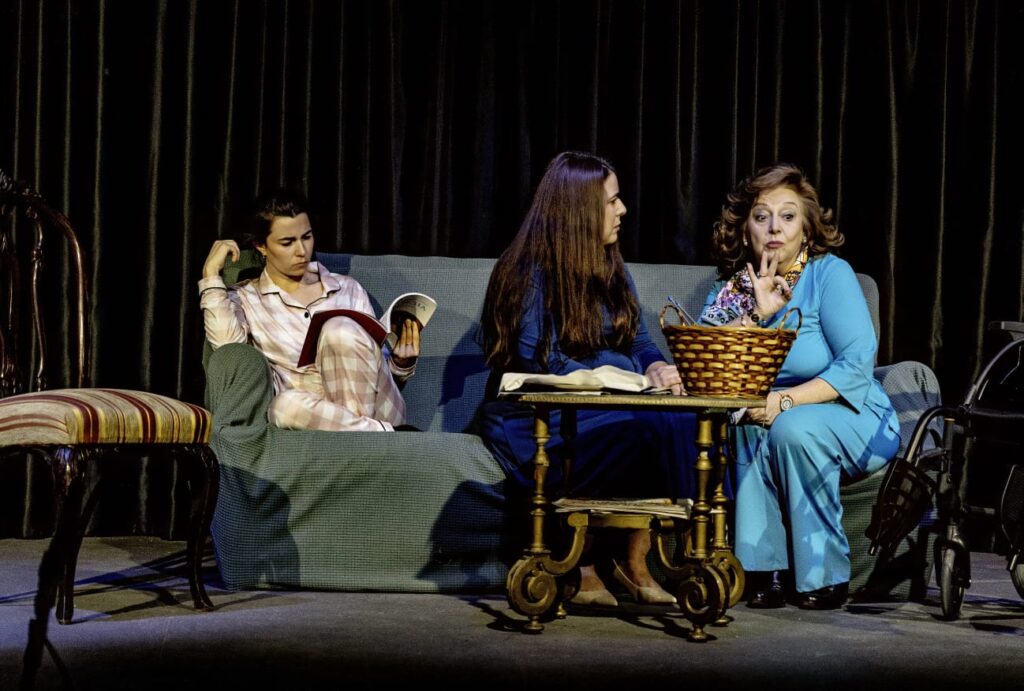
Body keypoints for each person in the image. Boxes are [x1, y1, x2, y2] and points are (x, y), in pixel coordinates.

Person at [480, 151, 695, 607]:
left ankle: (638, 559)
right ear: (578, 212)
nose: (623, 210)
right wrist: (619, 379)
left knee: (680, 420)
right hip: (539, 412)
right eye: (611, 202)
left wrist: (655, 367)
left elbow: (639, 340)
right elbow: (543, 364)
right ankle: (581, 560)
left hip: (610, 399)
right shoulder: (526, 272)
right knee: (636, 427)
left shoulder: (611, 265)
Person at [699, 163, 900, 609]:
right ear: (745, 228)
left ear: (806, 228)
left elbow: (856, 365)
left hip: (853, 413)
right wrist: (756, 316)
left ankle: (823, 575)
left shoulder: (830, 274)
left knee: (792, 427)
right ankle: (762, 569)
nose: (774, 228)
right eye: (761, 216)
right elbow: (707, 364)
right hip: (770, 413)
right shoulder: (732, 290)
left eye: (788, 216)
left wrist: (783, 401)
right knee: (745, 424)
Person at [199, 189, 421, 432]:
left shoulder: (347, 288)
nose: (301, 251)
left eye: (306, 237)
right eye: (287, 242)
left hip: (376, 408)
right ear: (261, 246)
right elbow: (227, 350)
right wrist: (210, 276)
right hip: (313, 416)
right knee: (283, 406)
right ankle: (377, 436)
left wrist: (400, 364)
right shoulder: (245, 298)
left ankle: (360, 439)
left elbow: (374, 377)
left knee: (339, 328)